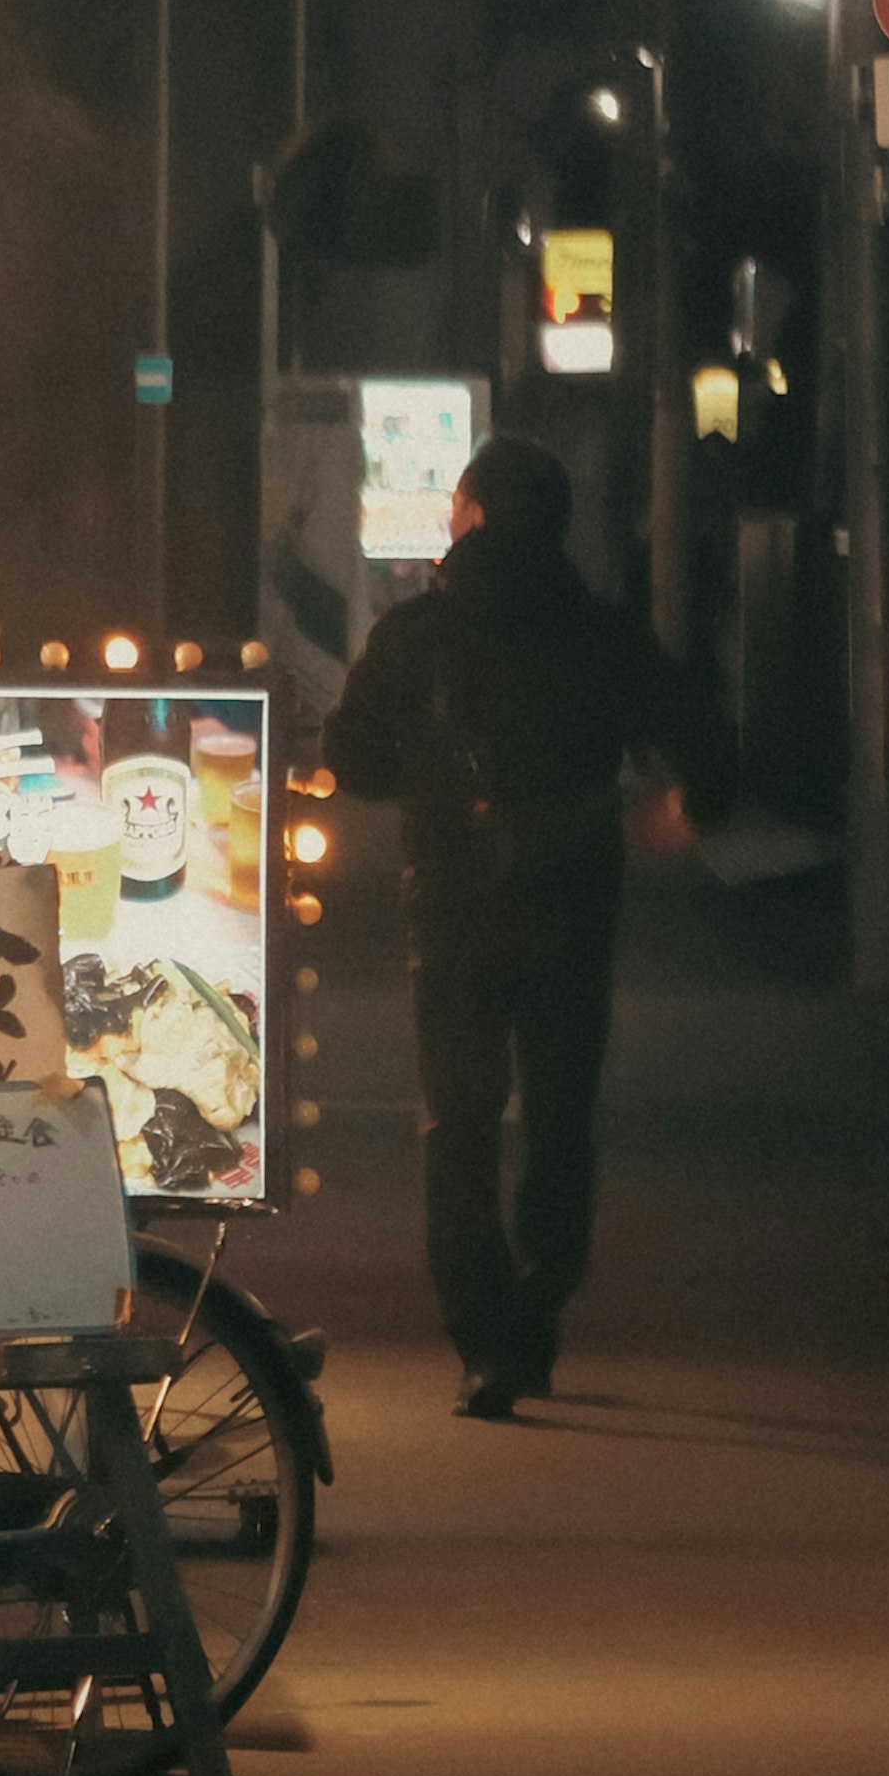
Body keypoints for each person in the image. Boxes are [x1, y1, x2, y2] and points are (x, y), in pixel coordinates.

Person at [327, 436, 735, 1417]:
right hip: (572, 895)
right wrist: (679, 812)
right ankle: (537, 1309)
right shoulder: (602, 634)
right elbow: (706, 739)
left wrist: (426, 783)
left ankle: (482, 1339)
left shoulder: (416, 631)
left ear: (466, 513)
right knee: (558, 1118)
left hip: (454, 905)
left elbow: (352, 757)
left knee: (459, 1123)